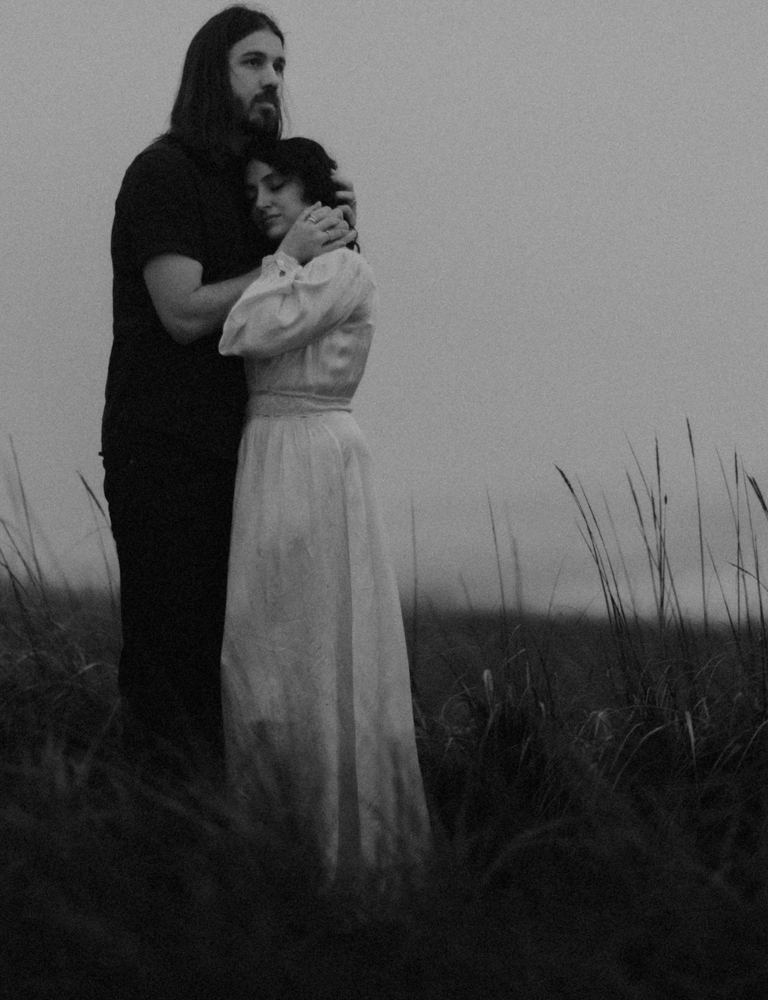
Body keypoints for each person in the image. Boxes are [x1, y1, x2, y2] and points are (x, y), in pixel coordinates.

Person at [102, 7, 354, 770]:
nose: (272, 79)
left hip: (243, 454)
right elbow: (181, 312)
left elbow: (295, 307)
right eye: (253, 62)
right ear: (211, 73)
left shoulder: (252, 192)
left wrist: (330, 237)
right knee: (170, 658)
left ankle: (231, 828)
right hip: (163, 451)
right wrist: (285, 260)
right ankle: (152, 825)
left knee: (239, 662)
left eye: (280, 64)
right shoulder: (163, 173)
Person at [219, 136, 429, 880]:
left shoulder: (342, 271)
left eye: (278, 185)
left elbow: (243, 329)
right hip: (268, 453)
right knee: (261, 651)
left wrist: (288, 255)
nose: (263, 202)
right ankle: (278, 847)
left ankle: (351, 858)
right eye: (253, 192)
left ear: (314, 196)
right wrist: (283, 257)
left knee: (323, 645)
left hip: (315, 454)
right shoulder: (295, 270)